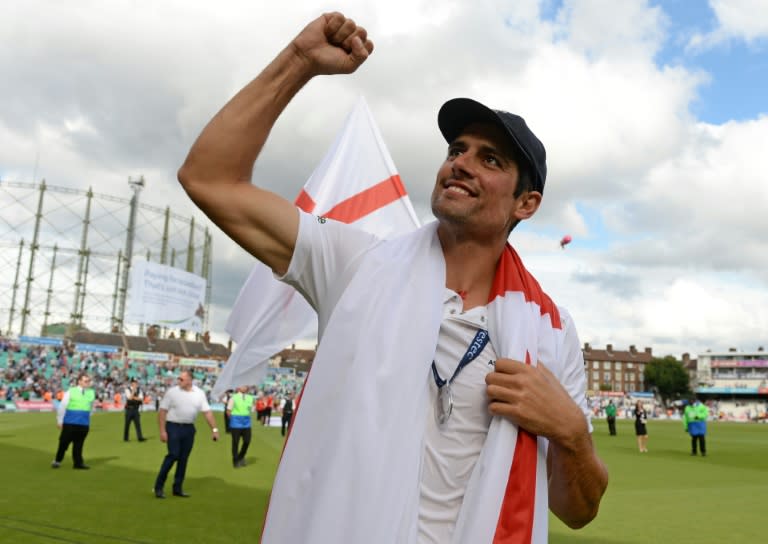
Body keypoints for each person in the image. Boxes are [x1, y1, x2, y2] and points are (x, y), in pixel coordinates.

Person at [177, 12, 608, 542]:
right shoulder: (357, 264)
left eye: (489, 158)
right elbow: (209, 178)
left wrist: (571, 434)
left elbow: (578, 509)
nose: (461, 163)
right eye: (456, 150)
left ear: (527, 202)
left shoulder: (551, 330)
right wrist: (299, 62)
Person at [153, 371, 220, 498]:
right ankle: (159, 487)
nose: (179, 381)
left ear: (190, 380)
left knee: (183, 459)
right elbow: (162, 412)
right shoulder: (172, 392)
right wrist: (162, 431)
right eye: (179, 379)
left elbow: (207, 413)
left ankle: (177, 488)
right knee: (173, 455)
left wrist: (214, 430)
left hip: (189, 428)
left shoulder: (199, 394)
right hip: (173, 426)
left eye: (181, 379)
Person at [52, 373, 95, 469]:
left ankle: (78, 463)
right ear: (79, 382)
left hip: (83, 423)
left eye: (88, 381)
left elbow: (92, 406)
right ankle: (58, 460)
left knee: (79, 444)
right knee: (63, 443)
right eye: (85, 381)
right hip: (70, 423)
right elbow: (62, 406)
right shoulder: (71, 391)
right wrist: (59, 420)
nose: (88, 383)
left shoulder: (91, 392)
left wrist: (87, 415)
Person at [226, 385, 255, 467]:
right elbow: (228, 411)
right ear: (238, 387)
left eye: (246, 386)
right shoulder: (233, 398)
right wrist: (233, 420)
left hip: (246, 422)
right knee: (235, 442)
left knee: (247, 441)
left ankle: (241, 456)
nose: (245, 387)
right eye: (243, 385)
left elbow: (251, 409)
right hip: (236, 422)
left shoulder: (250, 397)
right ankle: (235, 460)